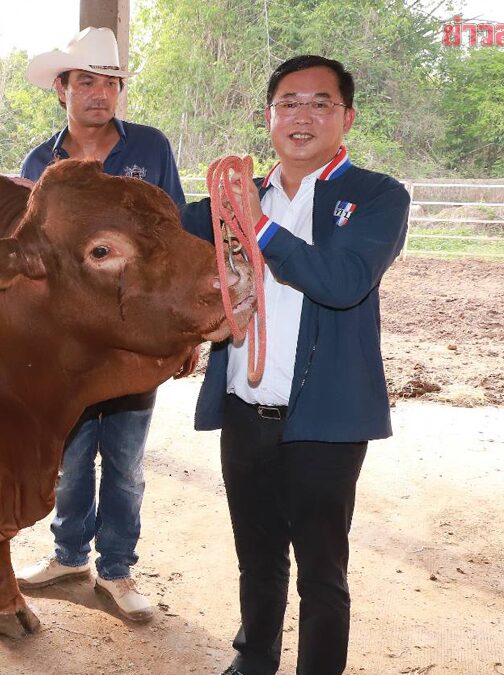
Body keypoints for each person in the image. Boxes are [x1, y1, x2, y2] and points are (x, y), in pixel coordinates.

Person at [180, 55, 409, 675]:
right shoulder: (237, 196)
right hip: (244, 409)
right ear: (269, 117)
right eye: (288, 103)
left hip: (327, 419)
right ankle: (254, 660)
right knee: (256, 555)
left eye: (319, 104)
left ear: (347, 117)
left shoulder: (376, 196)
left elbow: (345, 281)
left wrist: (262, 231)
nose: (301, 116)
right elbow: (158, 229)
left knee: (321, 568)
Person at [13, 26, 186, 623]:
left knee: (126, 459)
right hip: (71, 340)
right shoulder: (41, 163)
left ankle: (116, 568)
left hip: (135, 335)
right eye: (85, 81)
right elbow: (31, 260)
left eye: (109, 82)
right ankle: (68, 555)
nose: (99, 93)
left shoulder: (151, 148)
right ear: (62, 88)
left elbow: (175, 235)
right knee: (70, 452)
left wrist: (180, 333)